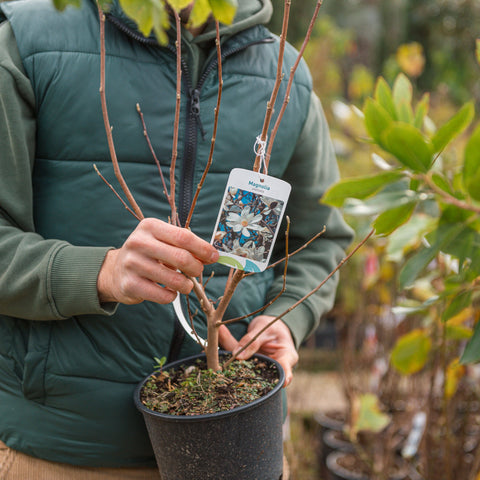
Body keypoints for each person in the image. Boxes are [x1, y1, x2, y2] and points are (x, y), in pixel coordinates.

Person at [0, 0, 353, 477]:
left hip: (237, 447)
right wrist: (100, 272)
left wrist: (285, 319)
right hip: (65, 449)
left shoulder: (284, 73)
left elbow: (322, 237)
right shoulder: (30, 38)